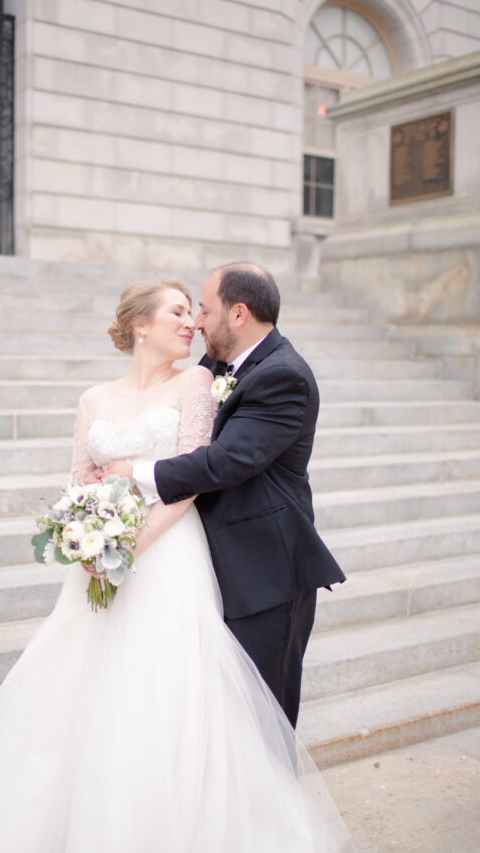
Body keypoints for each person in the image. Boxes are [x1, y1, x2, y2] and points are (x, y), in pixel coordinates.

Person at [0, 280, 348, 853]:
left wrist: (131, 541)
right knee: (80, 703)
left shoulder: (199, 386)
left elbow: (199, 473)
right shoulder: (93, 399)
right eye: (178, 310)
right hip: (103, 568)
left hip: (169, 558)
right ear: (139, 325)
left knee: (159, 704)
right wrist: (84, 535)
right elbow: (80, 475)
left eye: (196, 309)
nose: (192, 324)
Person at [105, 263, 345, 729]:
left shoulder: (284, 375)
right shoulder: (217, 364)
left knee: (262, 725)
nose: (195, 322)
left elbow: (224, 463)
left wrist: (131, 472)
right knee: (219, 727)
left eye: (204, 309)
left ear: (238, 315)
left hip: (266, 575)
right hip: (211, 569)